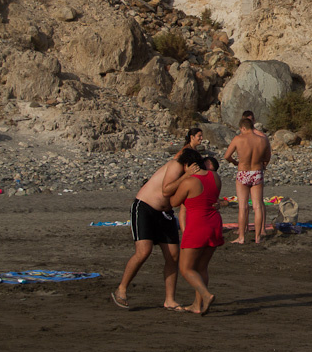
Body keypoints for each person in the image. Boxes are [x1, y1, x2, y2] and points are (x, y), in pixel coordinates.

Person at [111, 129, 203, 310]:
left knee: (173, 256)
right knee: (143, 252)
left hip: (165, 213)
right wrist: (186, 176)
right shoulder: (176, 165)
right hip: (145, 207)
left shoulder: (190, 175)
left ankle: (170, 300)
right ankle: (121, 289)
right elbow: (166, 190)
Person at [170, 148, 222, 315]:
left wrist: (182, 179)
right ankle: (197, 305)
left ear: (187, 165)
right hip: (214, 223)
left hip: (198, 225)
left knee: (186, 269)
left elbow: (174, 202)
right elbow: (213, 197)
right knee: (202, 267)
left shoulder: (189, 182)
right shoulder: (214, 176)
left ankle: (206, 295)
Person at [224, 117, 272, 244]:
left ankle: (241, 237)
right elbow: (267, 157)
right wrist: (263, 165)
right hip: (257, 172)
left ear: (243, 128)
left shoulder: (238, 139)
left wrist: (235, 162)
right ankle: (257, 237)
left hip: (243, 172)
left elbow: (227, 156)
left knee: (243, 207)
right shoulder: (263, 140)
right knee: (257, 206)